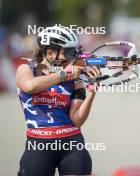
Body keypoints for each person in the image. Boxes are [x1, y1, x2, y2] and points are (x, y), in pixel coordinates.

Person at [16, 26, 100, 176]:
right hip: (38, 144)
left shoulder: (75, 77)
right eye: (68, 52)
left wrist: (92, 90)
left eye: (74, 51)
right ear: (50, 53)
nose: (73, 57)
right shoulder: (27, 67)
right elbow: (29, 86)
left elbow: (77, 119)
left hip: (72, 144)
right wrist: (64, 74)